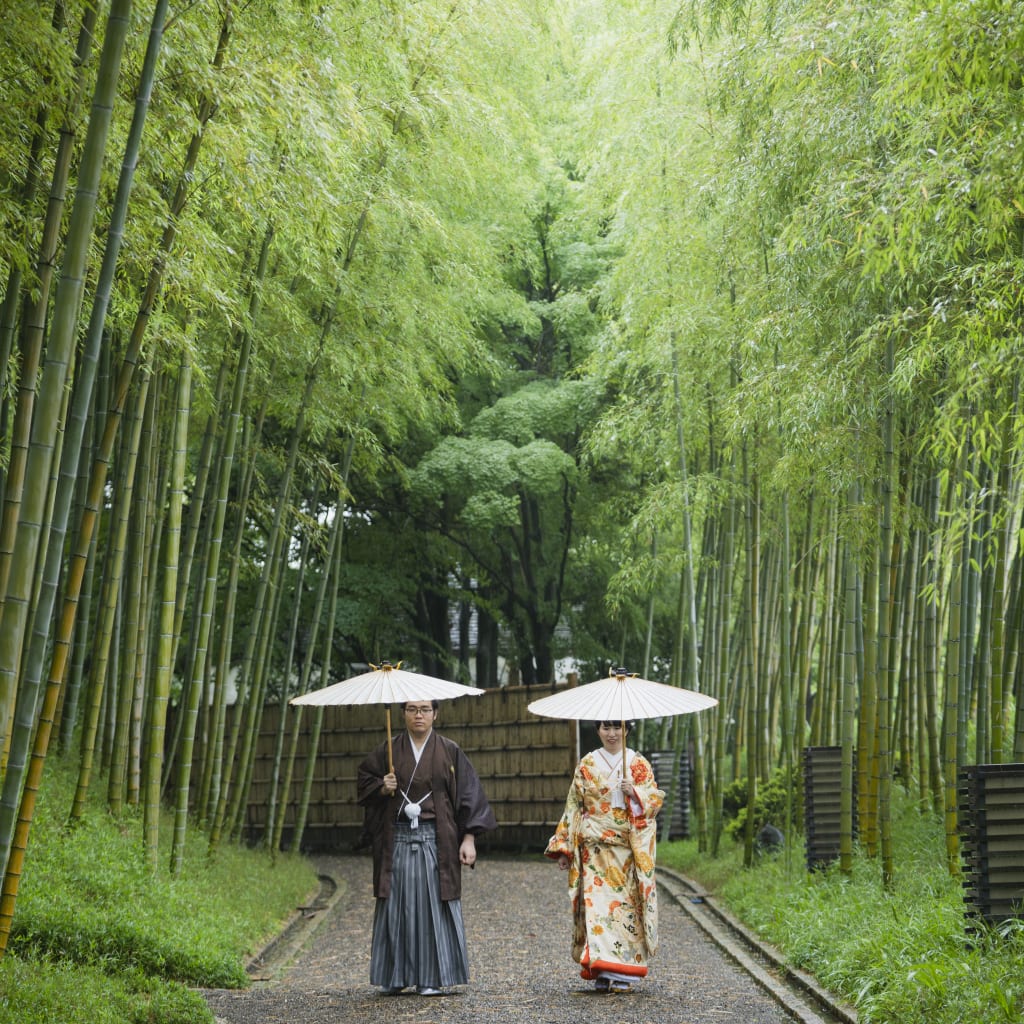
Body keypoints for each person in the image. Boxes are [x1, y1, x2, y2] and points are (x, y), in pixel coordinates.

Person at [357, 698, 496, 997]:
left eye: (424, 710)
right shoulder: (389, 750)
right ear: (403, 714)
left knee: (434, 906)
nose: (418, 715)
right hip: (397, 839)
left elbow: (469, 795)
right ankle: (394, 976)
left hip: (437, 840)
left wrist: (468, 838)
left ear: (435, 714)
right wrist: (383, 786)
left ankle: (432, 977)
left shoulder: (449, 750)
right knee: (396, 907)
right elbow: (363, 782)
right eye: (411, 710)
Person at [544, 720, 664, 993]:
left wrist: (634, 792)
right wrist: (565, 847)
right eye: (606, 728)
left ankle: (622, 972)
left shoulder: (638, 763)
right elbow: (574, 805)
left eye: (617, 728)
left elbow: (654, 800)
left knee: (623, 910)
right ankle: (601, 968)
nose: (612, 734)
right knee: (596, 911)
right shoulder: (587, 763)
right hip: (593, 850)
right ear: (597, 730)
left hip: (625, 852)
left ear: (627, 730)